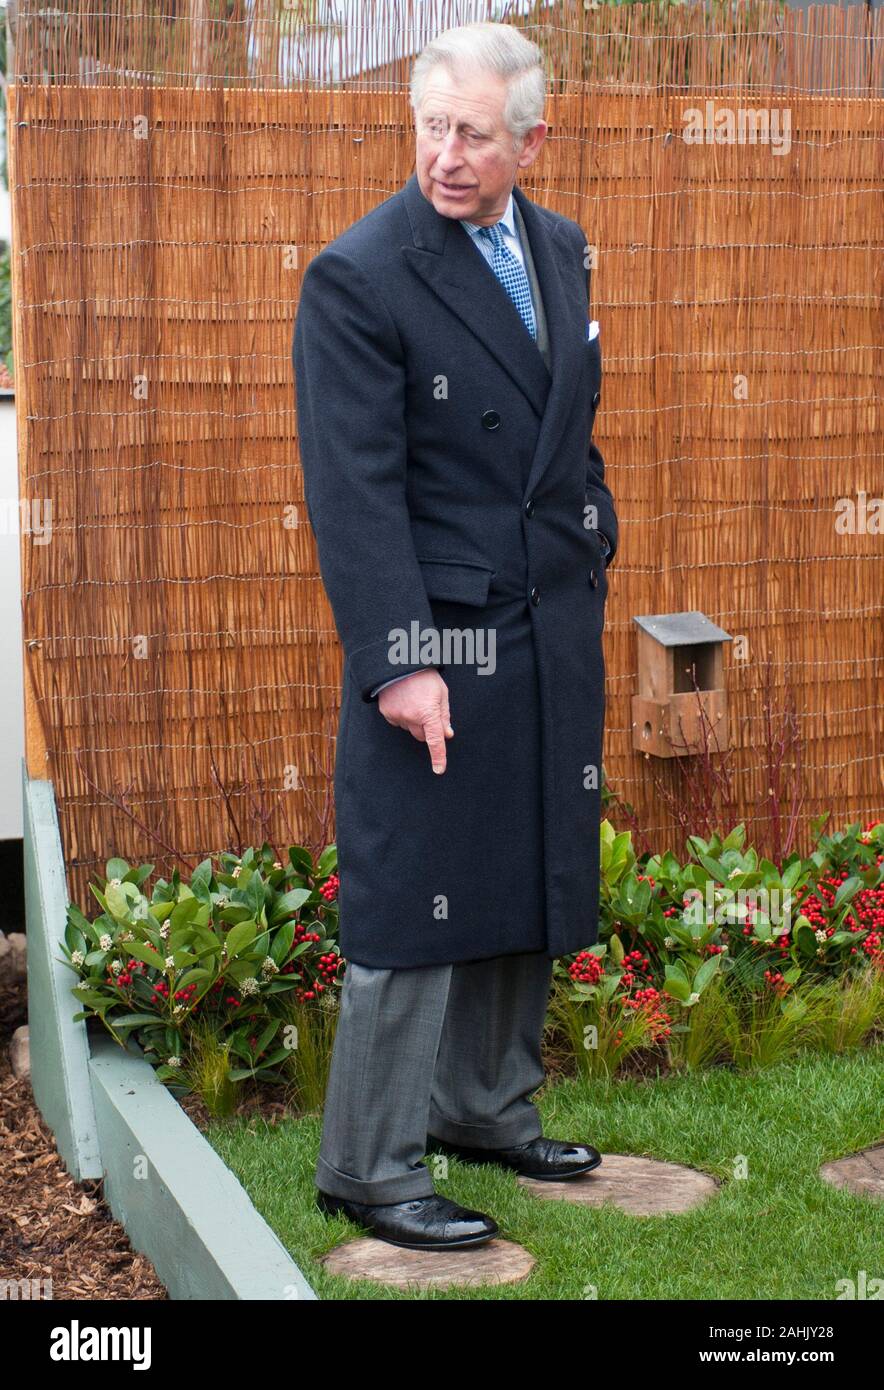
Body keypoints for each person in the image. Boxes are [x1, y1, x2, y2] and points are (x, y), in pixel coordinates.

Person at [292, 20, 617, 1251]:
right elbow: (353, 488)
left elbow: (567, 428)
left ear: (532, 137)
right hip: (441, 637)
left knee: (522, 868)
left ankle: (484, 1106)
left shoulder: (561, 247)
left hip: (546, 616)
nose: (445, 154)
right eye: (430, 125)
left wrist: (595, 526)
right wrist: (401, 661)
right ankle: (367, 1167)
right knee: (415, 896)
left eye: (472, 133)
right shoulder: (360, 275)